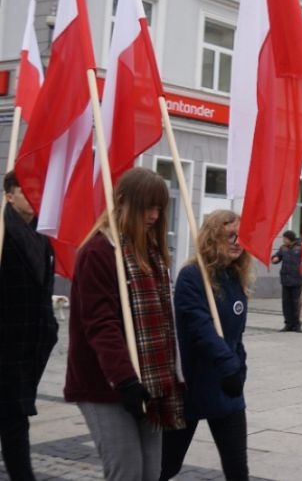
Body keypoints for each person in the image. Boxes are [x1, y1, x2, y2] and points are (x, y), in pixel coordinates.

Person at [64, 168, 184, 481]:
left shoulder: (152, 252)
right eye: (147, 207)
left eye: (159, 207)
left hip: (150, 380)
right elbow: (101, 324)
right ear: (123, 202)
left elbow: (163, 319)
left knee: (150, 472)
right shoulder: (99, 253)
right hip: (104, 383)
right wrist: (125, 379)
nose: (154, 216)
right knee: (127, 472)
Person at [160, 210, 252, 481]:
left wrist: (240, 369)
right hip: (191, 387)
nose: (237, 242)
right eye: (229, 236)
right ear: (213, 238)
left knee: (237, 469)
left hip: (227, 389)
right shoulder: (191, 276)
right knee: (167, 465)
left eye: (241, 237)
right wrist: (229, 365)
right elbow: (201, 328)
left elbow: (236, 337)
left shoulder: (236, 279)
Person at [0, 172, 57, 481]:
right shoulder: (2, 231)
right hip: (6, 345)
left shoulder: (40, 234)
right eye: (27, 190)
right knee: (14, 420)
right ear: (9, 195)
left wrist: (50, 329)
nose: (33, 196)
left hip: (28, 347)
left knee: (14, 418)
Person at [271, 230, 302, 332]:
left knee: (296, 303)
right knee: (286, 303)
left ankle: (297, 324)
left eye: (284, 238)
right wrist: (275, 258)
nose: (283, 240)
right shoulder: (283, 248)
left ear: (289, 239)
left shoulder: (300, 247)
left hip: (297, 280)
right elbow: (277, 257)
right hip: (285, 280)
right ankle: (288, 324)